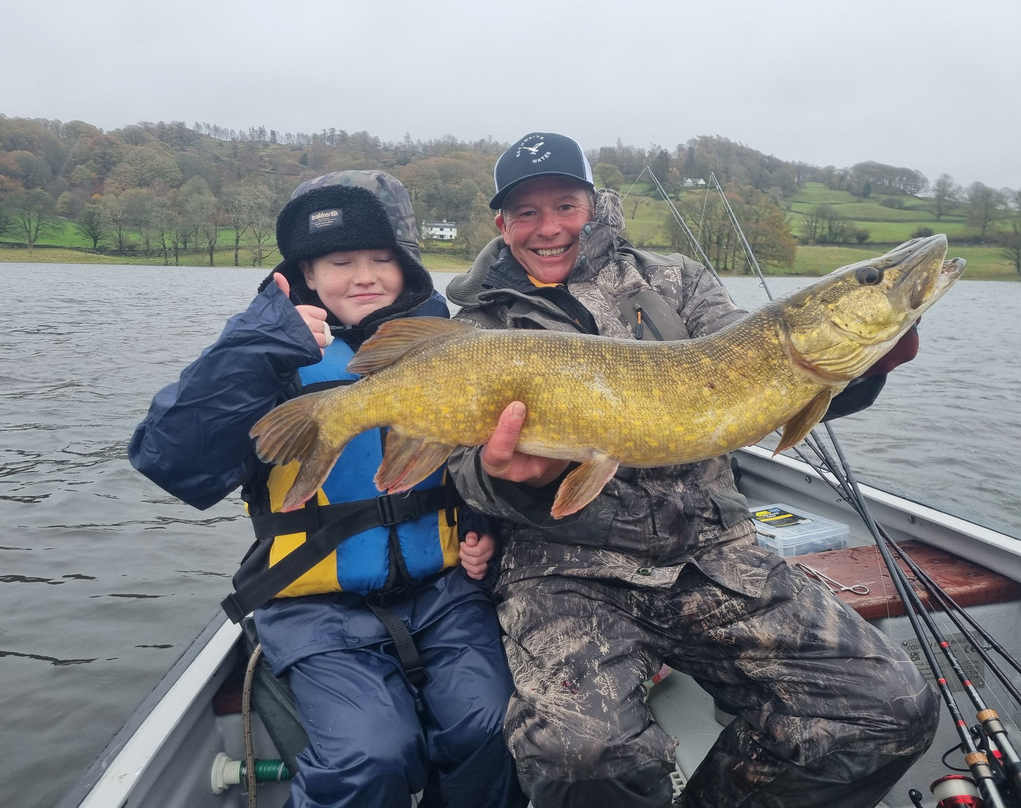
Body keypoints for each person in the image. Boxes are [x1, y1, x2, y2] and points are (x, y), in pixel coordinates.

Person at [444, 133, 940, 808]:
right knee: (578, 752)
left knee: (889, 706)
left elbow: (772, 380)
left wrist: (860, 370)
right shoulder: (473, 330)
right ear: (501, 224)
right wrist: (512, 480)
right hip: (566, 572)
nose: (550, 226)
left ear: (594, 203)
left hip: (711, 555)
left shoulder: (675, 279)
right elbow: (459, 475)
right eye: (526, 213)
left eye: (565, 203)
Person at [129, 170, 525, 808]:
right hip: (316, 609)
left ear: (408, 269)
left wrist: (486, 528)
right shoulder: (263, 355)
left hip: (446, 594)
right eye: (341, 261)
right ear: (307, 275)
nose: (364, 275)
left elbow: (485, 464)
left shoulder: (458, 349)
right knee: (371, 753)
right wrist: (253, 348)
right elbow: (171, 461)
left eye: (382, 260)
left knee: (492, 725)